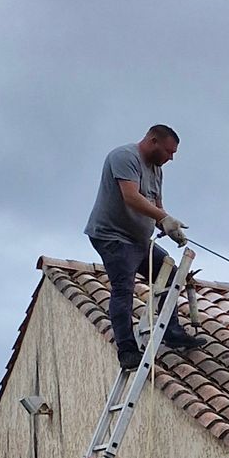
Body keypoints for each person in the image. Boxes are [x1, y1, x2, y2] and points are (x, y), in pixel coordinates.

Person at [85, 124, 195, 369]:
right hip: (113, 237)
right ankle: (127, 351)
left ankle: (171, 331)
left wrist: (167, 225)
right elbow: (131, 196)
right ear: (153, 141)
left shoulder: (156, 170)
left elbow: (156, 204)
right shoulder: (124, 157)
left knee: (169, 273)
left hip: (138, 241)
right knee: (123, 287)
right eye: (168, 152)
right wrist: (163, 218)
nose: (171, 158)